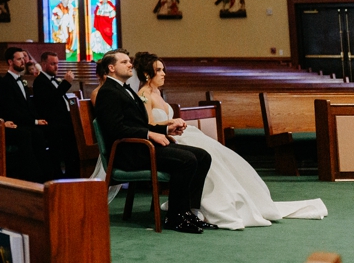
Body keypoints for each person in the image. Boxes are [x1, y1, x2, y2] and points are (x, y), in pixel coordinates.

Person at [134, 52, 326, 230]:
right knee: (206, 159)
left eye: (163, 69)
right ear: (146, 73)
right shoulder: (144, 94)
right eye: (158, 70)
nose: (163, 73)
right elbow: (149, 124)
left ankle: (203, 207)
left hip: (178, 133)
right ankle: (207, 208)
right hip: (167, 138)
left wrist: (176, 123)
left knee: (219, 157)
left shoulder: (158, 93)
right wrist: (170, 123)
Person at [94, 49, 211, 234]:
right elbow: (115, 130)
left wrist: (166, 129)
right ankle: (175, 216)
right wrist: (149, 135)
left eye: (129, 61)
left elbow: (139, 124)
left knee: (203, 156)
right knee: (187, 160)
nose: (130, 64)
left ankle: (188, 212)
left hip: (139, 146)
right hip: (129, 152)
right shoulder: (108, 92)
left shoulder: (125, 90)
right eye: (124, 62)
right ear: (111, 68)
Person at [0, 47, 48, 181]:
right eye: (19, 59)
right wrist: (34, 122)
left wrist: (37, 119)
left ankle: (46, 174)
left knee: (40, 132)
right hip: (15, 124)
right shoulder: (5, 83)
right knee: (28, 133)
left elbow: (29, 106)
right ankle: (32, 177)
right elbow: (11, 110)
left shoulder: (21, 80)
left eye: (23, 58)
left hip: (25, 122)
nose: (23, 62)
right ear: (10, 62)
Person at [35, 51, 80, 178]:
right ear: (43, 65)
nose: (56, 67)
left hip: (63, 120)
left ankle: (74, 175)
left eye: (57, 63)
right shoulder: (40, 81)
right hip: (53, 123)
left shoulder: (53, 80)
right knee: (65, 149)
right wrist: (66, 83)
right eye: (52, 64)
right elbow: (50, 101)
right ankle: (64, 176)